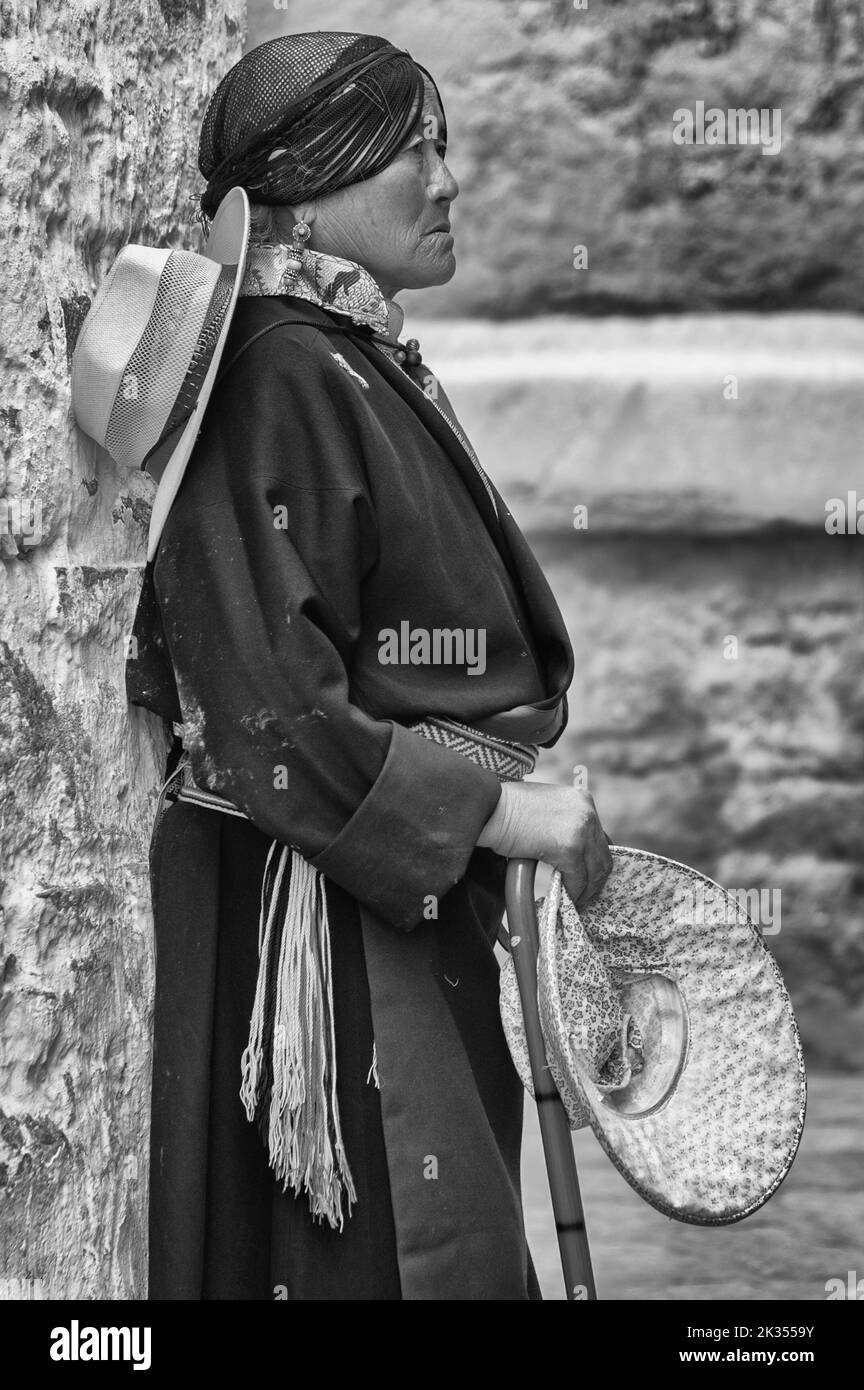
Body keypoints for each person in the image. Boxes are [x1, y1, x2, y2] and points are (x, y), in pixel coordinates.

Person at [127, 31, 613, 1301]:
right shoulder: (283, 369)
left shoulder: (342, 355)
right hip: (330, 921)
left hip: (403, 892)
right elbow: (268, 707)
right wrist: (502, 808)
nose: (449, 181)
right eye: (414, 151)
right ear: (310, 180)